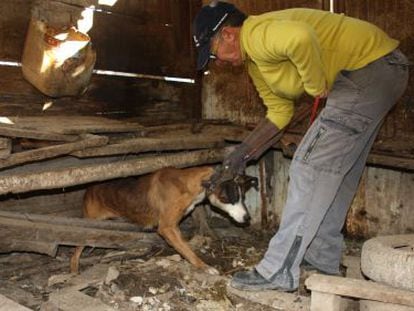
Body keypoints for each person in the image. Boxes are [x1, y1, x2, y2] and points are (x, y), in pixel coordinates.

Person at [192, 1, 409, 292]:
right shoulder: (256, 63)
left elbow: (301, 37)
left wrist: (315, 83)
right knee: (336, 173)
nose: (217, 61)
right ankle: (321, 261)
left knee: (309, 168)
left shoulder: (256, 34)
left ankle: (278, 269)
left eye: (213, 52)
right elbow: (279, 114)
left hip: (366, 70)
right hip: (381, 71)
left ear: (228, 34)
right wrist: (240, 155)